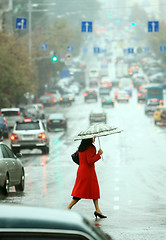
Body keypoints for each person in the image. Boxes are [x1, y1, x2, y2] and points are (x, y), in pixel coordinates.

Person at [67, 137, 107, 219]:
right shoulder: (91, 147)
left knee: (93, 190)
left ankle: (98, 210)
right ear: (89, 138)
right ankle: (68, 208)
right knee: (80, 192)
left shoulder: (82, 147)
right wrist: (99, 154)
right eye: (93, 137)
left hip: (82, 171)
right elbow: (90, 161)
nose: (94, 138)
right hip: (88, 172)